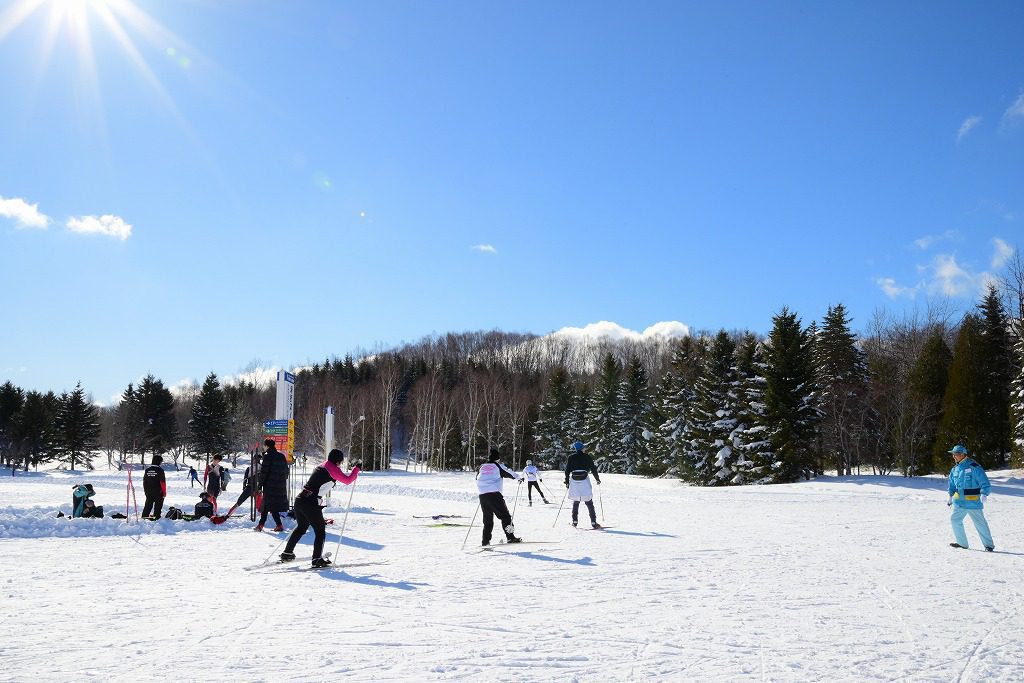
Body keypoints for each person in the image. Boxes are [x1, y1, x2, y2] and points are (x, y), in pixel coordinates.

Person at [280, 449, 360, 568]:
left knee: (301, 528)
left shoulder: (323, 465)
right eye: (341, 462)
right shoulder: (332, 468)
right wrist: (357, 469)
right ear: (338, 461)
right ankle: (317, 559)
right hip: (310, 502)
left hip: (300, 499)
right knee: (320, 531)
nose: (341, 464)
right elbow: (347, 480)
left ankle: (287, 553)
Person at [947, 444, 995, 552]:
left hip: (973, 502)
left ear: (963, 454)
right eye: (953, 454)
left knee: (980, 523)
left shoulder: (974, 467)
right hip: (959, 502)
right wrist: (950, 495)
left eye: (956, 454)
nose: (954, 456)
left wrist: (984, 493)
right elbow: (952, 485)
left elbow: (985, 482)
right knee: (955, 520)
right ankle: (962, 543)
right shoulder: (954, 469)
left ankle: (989, 545)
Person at [475, 449, 522, 546]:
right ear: (498, 459)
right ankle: (510, 537)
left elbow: (477, 478)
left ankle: (485, 541)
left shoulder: (482, 466)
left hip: (482, 495)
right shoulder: (498, 466)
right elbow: (509, 473)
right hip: (494, 494)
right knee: (505, 517)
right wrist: (519, 477)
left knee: (488, 519)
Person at [564, 441, 602, 529]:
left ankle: (575, 521)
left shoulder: (571, 457)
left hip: (574, 481)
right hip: (584, 481)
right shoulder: (587, 456)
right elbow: (593, 469)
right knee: (589, 502)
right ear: (582, 448)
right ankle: (593, 522)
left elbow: (567, 470)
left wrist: (567, 482)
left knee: (576, 501)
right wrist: (597, 479)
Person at [255, 439, 289, 532]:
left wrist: (259, 486)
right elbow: (286, 472)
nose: (263, 447)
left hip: (269, 485)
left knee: (267, 504)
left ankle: (261, 525)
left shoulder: (267, 456)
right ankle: (277, 525)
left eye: (264, 445)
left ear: (267, 446)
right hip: (280, 485)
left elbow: (263, 473)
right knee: (270, 505)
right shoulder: (281, 456)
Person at [141, 454, 167, 519]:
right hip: (158, 491)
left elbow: (144, 482)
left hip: (149, 491)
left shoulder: (147, 470)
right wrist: (164, 492)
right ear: (159, 462)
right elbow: (162, 482)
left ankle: (145, 516)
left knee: (148, 504)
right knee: (158, 504)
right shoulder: (160, 470)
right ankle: (156, 516)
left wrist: (146, 491)